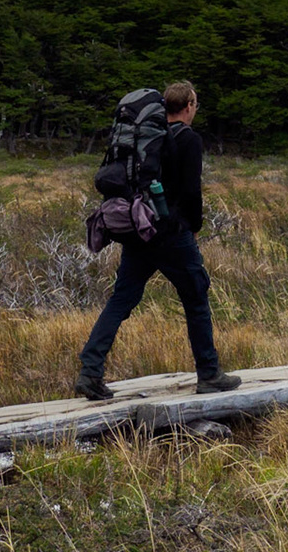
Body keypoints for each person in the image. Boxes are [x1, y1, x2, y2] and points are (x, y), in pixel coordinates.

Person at [74, 80, 242, 400]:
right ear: (189, 105)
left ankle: (90, 371)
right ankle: (209, 374)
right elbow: (191, 191)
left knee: (121, 300)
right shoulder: (188, 139)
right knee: (195, 297)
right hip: (171, 232)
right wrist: (194, 225)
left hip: (139, 229)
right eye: (195, 103)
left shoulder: (146, 139)